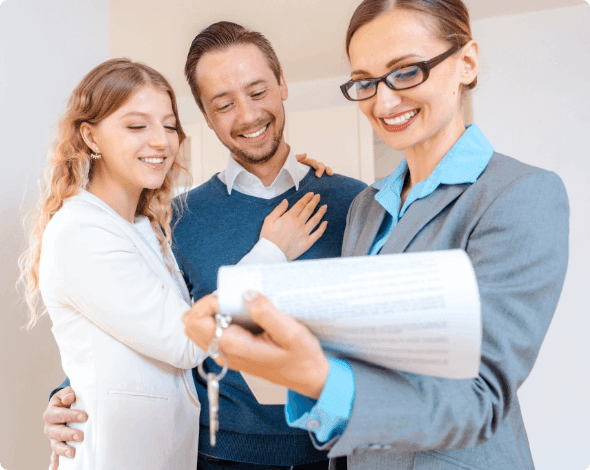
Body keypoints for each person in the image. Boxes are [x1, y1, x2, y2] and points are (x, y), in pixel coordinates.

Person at [182, 1, 570, 469]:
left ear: (466, 63)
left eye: (407, 71)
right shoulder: (369, 206)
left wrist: (318, 377)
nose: (384, 103)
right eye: (365, 82)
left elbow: (480, 398)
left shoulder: (520, 193)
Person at [42, 23, 367, 470]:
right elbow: (144, 322)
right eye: (224, 104)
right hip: (213, 457)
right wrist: (68, 392)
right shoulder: (174, 219)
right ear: (205, 115)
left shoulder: (355, 202)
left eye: (257, 91)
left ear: (283, 85)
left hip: (335, 455)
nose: (248, 115)